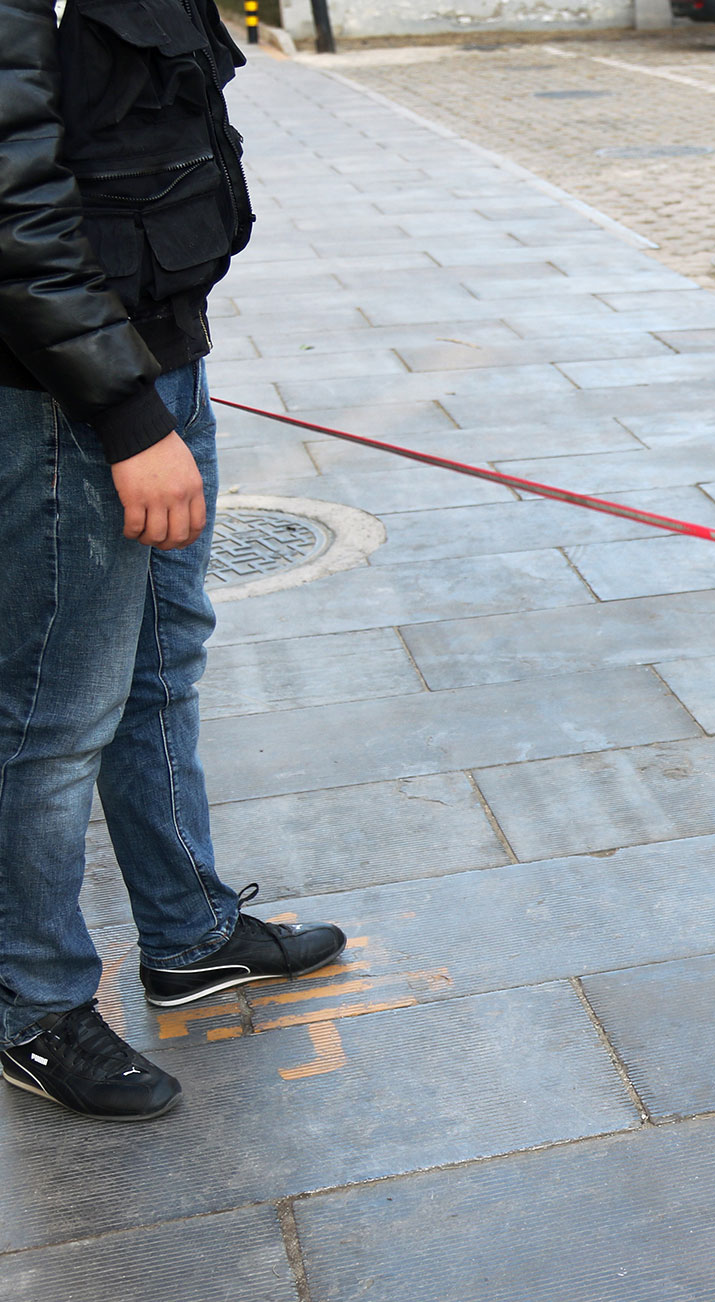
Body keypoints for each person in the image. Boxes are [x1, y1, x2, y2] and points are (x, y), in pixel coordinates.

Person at [2, 0, 346, 1122]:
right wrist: (124, 417)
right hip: (67, 399)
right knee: (52, 713)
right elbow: (16, 200)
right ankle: (33, 1008)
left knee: (161, 660)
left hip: (153, 351)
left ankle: (189, 932)